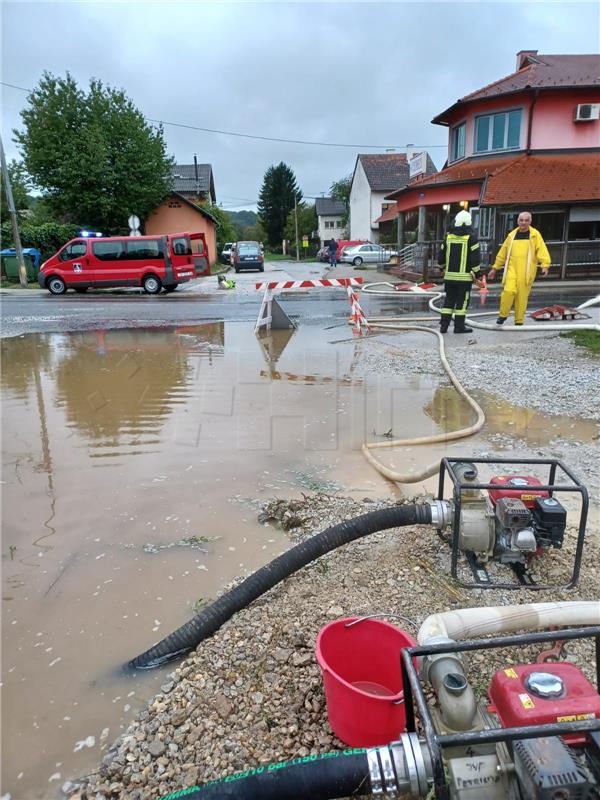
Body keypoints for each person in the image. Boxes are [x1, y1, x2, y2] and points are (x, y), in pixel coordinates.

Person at [488, 212, 551, 326]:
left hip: (527, 271)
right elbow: (503, 253)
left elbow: (542, 250)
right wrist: (495, 268)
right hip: (512, 268)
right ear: (517, 221)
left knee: (522, 296)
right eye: (521, 220)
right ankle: (503, 315)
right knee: (508, 291)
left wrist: (545, 265)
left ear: (530, 222)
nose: (523, 222)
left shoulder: (535, 235)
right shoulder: (511, 236)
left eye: (526, 220)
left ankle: (519, 321)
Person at [437, 210, 483, 334]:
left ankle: (444, 326)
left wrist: (442, 267)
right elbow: (475, 259)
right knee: (462, 302)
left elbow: (441, 256)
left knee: (449, 300)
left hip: (449, 278)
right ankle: (459, 326)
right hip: (464, 279)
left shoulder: (448, 238)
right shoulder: (471, 239)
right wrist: (477, 274)